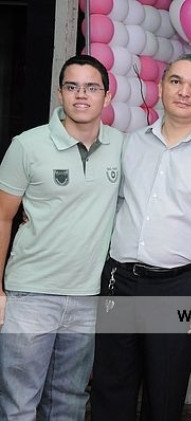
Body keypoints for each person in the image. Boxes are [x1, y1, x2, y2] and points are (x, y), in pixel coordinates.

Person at [89, 54, 191, 420]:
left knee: (164, 394)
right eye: (176, 81)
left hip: (180, 287)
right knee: (110, 389)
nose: (184, 92)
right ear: (160, 88)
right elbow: (109, 206)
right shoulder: (132, 144)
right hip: (120, 282)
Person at [0, 55, 122, 419]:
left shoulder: (123, 146)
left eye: (91, 87)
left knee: (69, 402)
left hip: (88, 298)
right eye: (72, 86)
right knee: (19, 403)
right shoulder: (27, 145)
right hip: (30, 295)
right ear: (60, 93)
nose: (81, 95)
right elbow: (3, 217)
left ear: (107, 96)